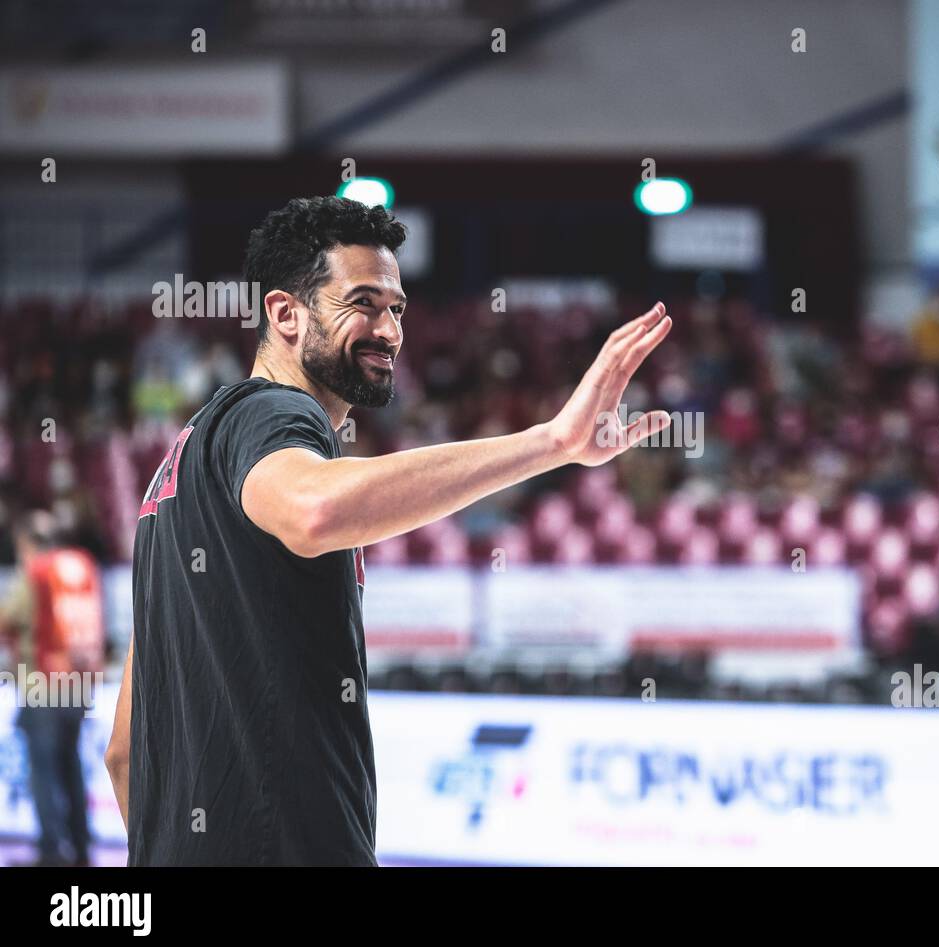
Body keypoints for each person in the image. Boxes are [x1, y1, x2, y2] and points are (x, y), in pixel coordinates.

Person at [104, 196, 673, 865]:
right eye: (363, 303)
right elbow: (315, 510)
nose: (390, 330)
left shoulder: (172, 479)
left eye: (396, 308)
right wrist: (551, 443)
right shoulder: (273, 414)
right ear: (286, 314)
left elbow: (122, 753)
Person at [0, 510, 104, 866]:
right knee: (71, 764)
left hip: (42, 685)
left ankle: (50, 850)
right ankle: (81, 845)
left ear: (28, 543)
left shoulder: (37, 571)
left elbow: (7, 617)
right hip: (77, 682)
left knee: (43, 771)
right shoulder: (82, 565)